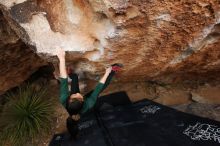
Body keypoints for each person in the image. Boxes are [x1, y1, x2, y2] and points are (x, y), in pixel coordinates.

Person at [56, 48, 122, 138]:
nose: (79, 94)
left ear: (69, 99)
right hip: (81, 103)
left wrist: (62, 58)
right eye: (80, 97)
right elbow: (98, 88)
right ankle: (113, 72)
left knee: (74, 77)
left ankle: (71, 74)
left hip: (74, 103)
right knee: (103, 87)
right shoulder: (88, 103)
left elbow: (63, 79)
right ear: (83, 101)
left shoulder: (64, 99)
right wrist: (107, 73)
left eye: (74, 95)